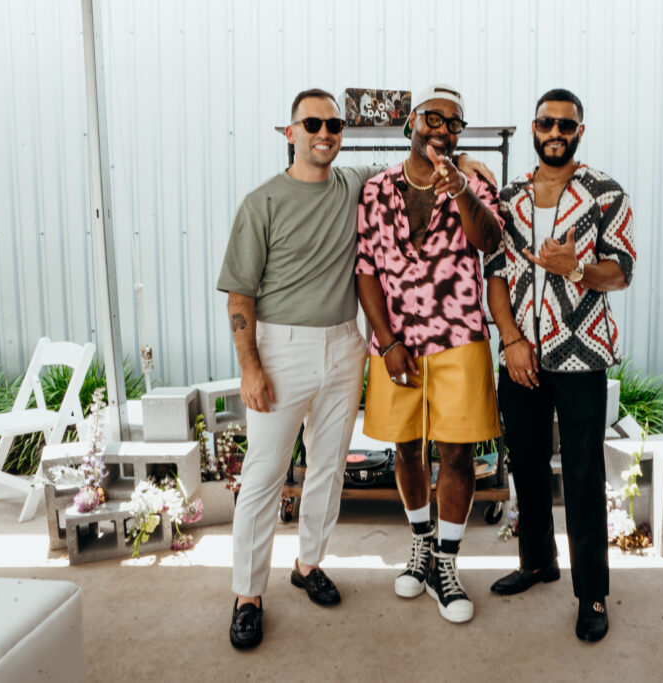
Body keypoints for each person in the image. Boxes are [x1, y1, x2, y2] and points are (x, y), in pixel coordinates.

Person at [217, 87, 492, 650]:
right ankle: (247, 595)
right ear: (290, 133)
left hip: (345, 343)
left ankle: (309, 565)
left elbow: (433, 170)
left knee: (327, 468)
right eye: (312, 124)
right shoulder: (262, 202)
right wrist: (250, 366)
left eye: (334, 125)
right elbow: (240, 295)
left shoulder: (356, 184)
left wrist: (462, 163)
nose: (324, 133)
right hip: (283, 347)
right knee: (265, 474)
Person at [484, 88, 635, 643]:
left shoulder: (605, 194)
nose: (555, 133)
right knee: (525, 462)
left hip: (581, 355)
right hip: (521, 353)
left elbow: (621, 271)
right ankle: (537, 560)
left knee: (582, 474)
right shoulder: (510, 198)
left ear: (579, 132)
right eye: (546, 123)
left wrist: (575, 268)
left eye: (565, 126)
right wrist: (510, 340)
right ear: (533, 128)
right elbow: (495, 274)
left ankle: (591, 591)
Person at [356, 83, 504, 624]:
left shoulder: (474, 184)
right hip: (396, 344)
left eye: (454, 123)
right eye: (433, 119)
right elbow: (365, 270)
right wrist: (388, 342)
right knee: (405, 450)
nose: (443, 130)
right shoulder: (376, 190)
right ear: (411, 122)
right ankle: (420, 543)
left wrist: (461, 187)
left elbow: (490, 242)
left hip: (458, 338)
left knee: (457, 455)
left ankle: (446, 563)